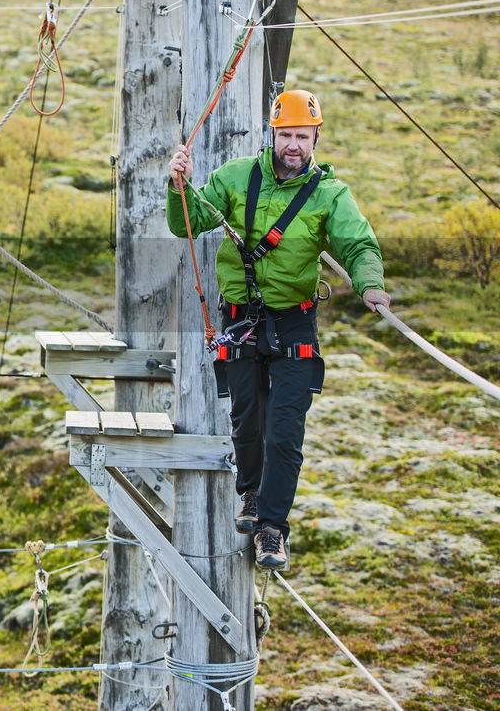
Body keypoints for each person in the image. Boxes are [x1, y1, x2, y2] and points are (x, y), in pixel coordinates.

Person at [165, 90, 391, 572]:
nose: (293, 145)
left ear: (315, 138)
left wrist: (371, 286)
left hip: (294, 322)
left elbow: (357, 245)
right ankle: (250, 495)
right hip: (241, 319)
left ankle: (272, 528)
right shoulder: (235, 177)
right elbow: (187, 223)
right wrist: (179, 186)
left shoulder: (331, 195)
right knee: (247, 420)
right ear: (273, 133)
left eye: (302, 137)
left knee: (284, 431)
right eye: (286, 135)